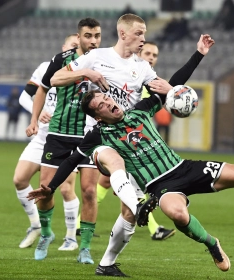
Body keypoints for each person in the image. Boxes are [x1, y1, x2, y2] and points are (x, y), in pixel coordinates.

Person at [29, 88, 234, 277]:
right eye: (100, 105)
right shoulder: (99, 135)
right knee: (176, 213)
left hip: (185, 167)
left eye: (106, 98)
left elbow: (170, 89)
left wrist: (199, 54)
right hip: (161, 186)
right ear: (98, 116)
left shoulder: (140, 110)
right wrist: (50, 187)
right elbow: (71, 161)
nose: (108, 103)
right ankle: (211, 243)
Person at [43, 14, 215, 274]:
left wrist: (198, 55)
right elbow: (54, 79)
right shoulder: (96, 57)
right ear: (123, 34)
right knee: (114, 161)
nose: (143, 39)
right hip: (99, 136)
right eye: (139, 34)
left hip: (127, 139)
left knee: (128, 216)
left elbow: (168, 85)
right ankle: (138, 200)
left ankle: (107, 263)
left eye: (145, 34)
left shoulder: (142, 68)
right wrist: (85, 72)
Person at [25, 18, 107, 263]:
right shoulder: (62, 60)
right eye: (88, 36)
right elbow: (44, 86)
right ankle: (47, 233)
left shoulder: (106, 60)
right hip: (59, 133)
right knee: (45, 190)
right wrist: (34, 119)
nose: (93, 41)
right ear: (79, 37)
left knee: (90, 192)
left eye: (97, 36)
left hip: (91, 136)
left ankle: (85, 248)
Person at [95, 41, 175, 241]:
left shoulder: (149, 79)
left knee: (110, 184)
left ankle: (81, 224)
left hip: (134, 140)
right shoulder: (132, 75)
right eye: (147, 52)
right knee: (123, 186)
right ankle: (152, 229)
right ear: (138, 52)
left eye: (155, 55)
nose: (151, 57)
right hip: (118, 139)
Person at [13, 34, 80, 250]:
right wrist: (38, 113)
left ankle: (70, 237)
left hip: (66, 137)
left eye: (78, 48)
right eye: (72, 46)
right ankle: (36, 226)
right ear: (63, 48)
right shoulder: (46, 67)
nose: (74, 51)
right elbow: (25, 97)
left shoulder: (84, 71)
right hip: (42, 137)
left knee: (66, 189)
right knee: (20, 179)